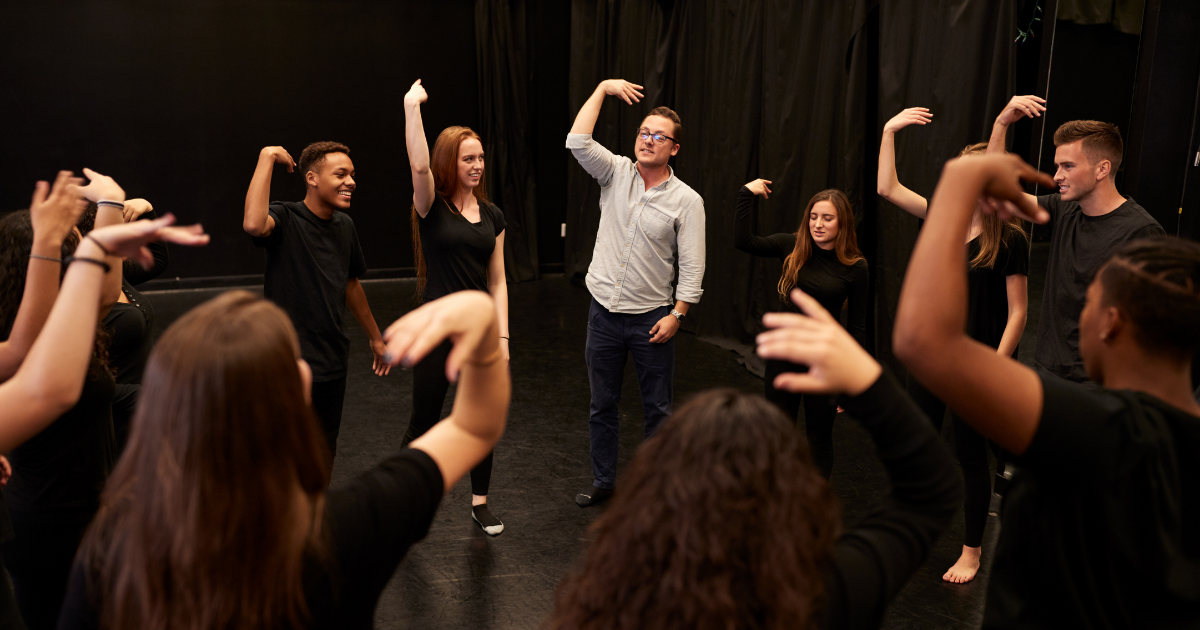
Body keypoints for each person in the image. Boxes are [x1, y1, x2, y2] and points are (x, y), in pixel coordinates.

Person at [57, 289, 509, 630]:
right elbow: (474, 427)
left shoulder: (114, 542)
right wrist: (482, 320)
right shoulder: (348, 529)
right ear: (288, 396)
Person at [894, 152, 1200, 628]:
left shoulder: (1102, 431)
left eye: (1089, 303)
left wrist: (961, 179)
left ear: (1112, 324)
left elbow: (923, 341)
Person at [547, 289, 958, 630]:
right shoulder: (825, 594)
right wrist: (866, 380)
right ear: (789, 492)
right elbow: (931, 490)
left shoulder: (616, 604)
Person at [0, 170, 207, 630]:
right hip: (45, 520)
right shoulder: (25, 350)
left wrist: (107, 211)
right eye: (67, 250)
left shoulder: (72, 330)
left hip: (91, 505)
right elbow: (31, 361)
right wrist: (60, 242)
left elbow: (105, 293)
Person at [878, 108, 1030, 583]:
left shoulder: (1011, 240)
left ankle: (971, 551)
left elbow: (1019, 311)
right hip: (931, 357)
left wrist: (993, 366)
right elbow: (888, 189)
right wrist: (889, 130)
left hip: (975, 361)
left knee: (970, 458)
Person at [566, 79, 706, 507]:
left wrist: (677, 315)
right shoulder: (616, 172)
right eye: (644, 132)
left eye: (658, 136)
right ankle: (605, 482)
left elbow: (693, 266)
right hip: (604, 314)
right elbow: (577, 140)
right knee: (601, 406)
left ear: (674, 148)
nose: (648, 140)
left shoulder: (687, 201)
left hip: (652, 319)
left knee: (657, 411)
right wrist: (602, 90)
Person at [987, 97, 1165, 382]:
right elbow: (999, 193)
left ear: (1102, 169)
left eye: (1067, 166)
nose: (1057, 176)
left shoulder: (1141, 231)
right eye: (1057, 166)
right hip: (1048, 369)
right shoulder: (1064, 208)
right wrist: (1001, 124)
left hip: (1100, 382)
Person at [401, 79, 510, 535]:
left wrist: (503, 336)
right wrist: (411, 108)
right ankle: (404, 499)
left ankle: (479, 502)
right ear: (451, 161)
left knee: (481, 419)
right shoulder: (431, 207)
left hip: (480, 333)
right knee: (424, 420)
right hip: (439, 331)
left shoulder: (493, 216)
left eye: (481, 158)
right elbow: (420, 167)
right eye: (468, 158)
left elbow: (499, 281)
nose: (477, 165)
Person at [243, 142, 390, 460]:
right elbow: (254, 224)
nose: (351, 182)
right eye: (341, 174)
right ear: (312, 178)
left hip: (332, 356)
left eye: (352, 175)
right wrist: (267, 156)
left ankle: (314, 510)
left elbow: (351, 285)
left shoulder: (345, 227)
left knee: (323, 448)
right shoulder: (286, 217)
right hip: (288, 360)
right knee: (282, 449)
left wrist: (376, 338)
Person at [734, 182, 868, 478]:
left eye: (827, 218)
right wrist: (746, 195)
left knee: (819, 437)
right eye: (813, 217)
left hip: (823, 363)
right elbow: (744, 241)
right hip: (785, 355)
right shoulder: (792, 246)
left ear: (842, 222)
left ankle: (814, 509)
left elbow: (857, 327)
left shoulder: (856, 267)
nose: (818, 224)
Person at [77, 198, 169, 455]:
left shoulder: (114, 271)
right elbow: (81, 380)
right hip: (110, 419)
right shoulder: (78, 292)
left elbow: (158, 261)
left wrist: (148, 209)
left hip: (140, 413)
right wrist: (145, 395)